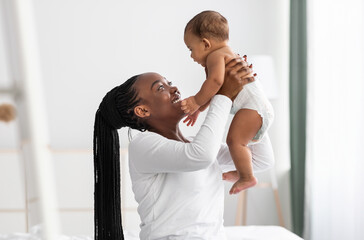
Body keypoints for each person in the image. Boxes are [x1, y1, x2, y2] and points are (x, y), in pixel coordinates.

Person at [93, 58, 274, 240]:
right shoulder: (143, 146)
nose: (174, 89)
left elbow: (261, 160)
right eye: (160, 88)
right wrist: (224, 94)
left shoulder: (195, 144)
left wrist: (248, 98)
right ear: (142, 111)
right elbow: (201, 155)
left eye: (169, 83)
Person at [181, 10, 275, 194]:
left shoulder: (215, 57)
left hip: (252, 109)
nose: (191, 56)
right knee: (242, 145)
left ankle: (247, 176)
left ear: (205, 43)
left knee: (234, 142)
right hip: (259, 108)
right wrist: (200, 108)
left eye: (191, 49)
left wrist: (195, 101)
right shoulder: (229, 53)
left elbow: (214, 82)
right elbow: (216, 89)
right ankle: (242, 172)